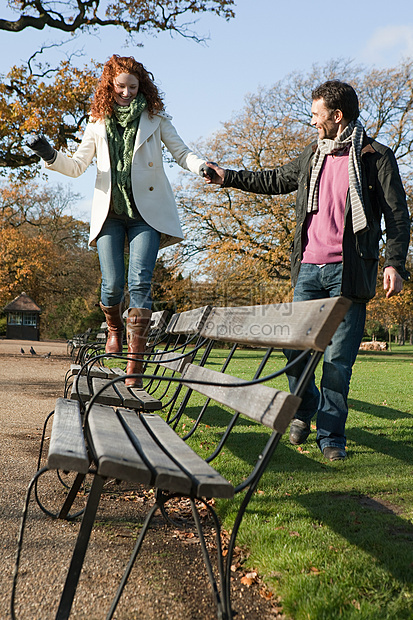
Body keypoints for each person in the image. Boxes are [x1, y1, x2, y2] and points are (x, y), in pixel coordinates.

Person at [204, 80, 410, 461]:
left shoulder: (375, 157)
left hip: (348, 274)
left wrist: (395, 263)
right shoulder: (312, 154)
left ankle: (331, 437)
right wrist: (228, 176)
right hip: (308, 272)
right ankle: (304, 407)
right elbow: (273, 180)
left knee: (337, 363)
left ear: (337, 116)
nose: (312, 122)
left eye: (317, 115)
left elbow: (398, 216)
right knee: (295, 354)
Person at [27, 54, 210, 387]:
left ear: (143, 87)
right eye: (120, 87)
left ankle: (134, 365)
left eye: (133, 87)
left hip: (147, 214)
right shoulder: (96, 123)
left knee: (140, 282)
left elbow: (182, 152)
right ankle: (114, 328)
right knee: (112, 285)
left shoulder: (156, 119)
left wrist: (202, 167)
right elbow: (77, 166)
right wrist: (49, 154)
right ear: (109, 87)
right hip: (110, 213)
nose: (126, 93)